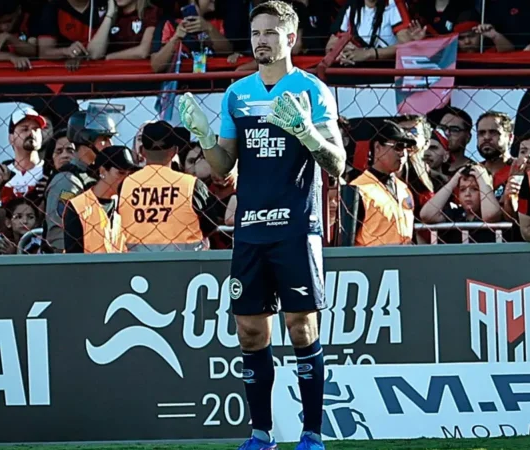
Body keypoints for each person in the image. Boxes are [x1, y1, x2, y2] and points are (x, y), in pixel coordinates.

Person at [178, 1, 346, 449]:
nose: (261, 41)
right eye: (255, 33)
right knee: (250, 330)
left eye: (270, 33)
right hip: (250, 228)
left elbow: (339, 163)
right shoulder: (237, 93)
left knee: (301, 328)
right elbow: (223, 167)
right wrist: (205, 137)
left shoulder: (311, 90)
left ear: (290, 38)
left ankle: (312, 434)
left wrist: (307, 132)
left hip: (296, 226)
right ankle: (261, 434)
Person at [119, 121, 217, 251]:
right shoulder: (191, 185)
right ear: (174, 151)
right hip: (185, 264)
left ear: (142, 151)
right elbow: (211, 224)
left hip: (136, 265)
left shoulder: (125, 185)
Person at [43, 105, 118, 252]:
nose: (110, 145)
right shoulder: (68, 181)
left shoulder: (98, 176)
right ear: (86, 140)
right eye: (104, 138)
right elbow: (59, 237)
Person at [341, 120, 416, 246]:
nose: (403, 153)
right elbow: (346, 241)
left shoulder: (404, 188)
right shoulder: (358, 189)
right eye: (398, 147)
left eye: (406, 148)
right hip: (371, 263)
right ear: (377, 147)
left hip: (404, 261)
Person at [63, 145, 138, 253]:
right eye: (121, 173)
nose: (126, 179)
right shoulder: (78, 206)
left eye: (129, 174)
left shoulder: (126, 205)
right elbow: (74, 256)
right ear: (102, 171)